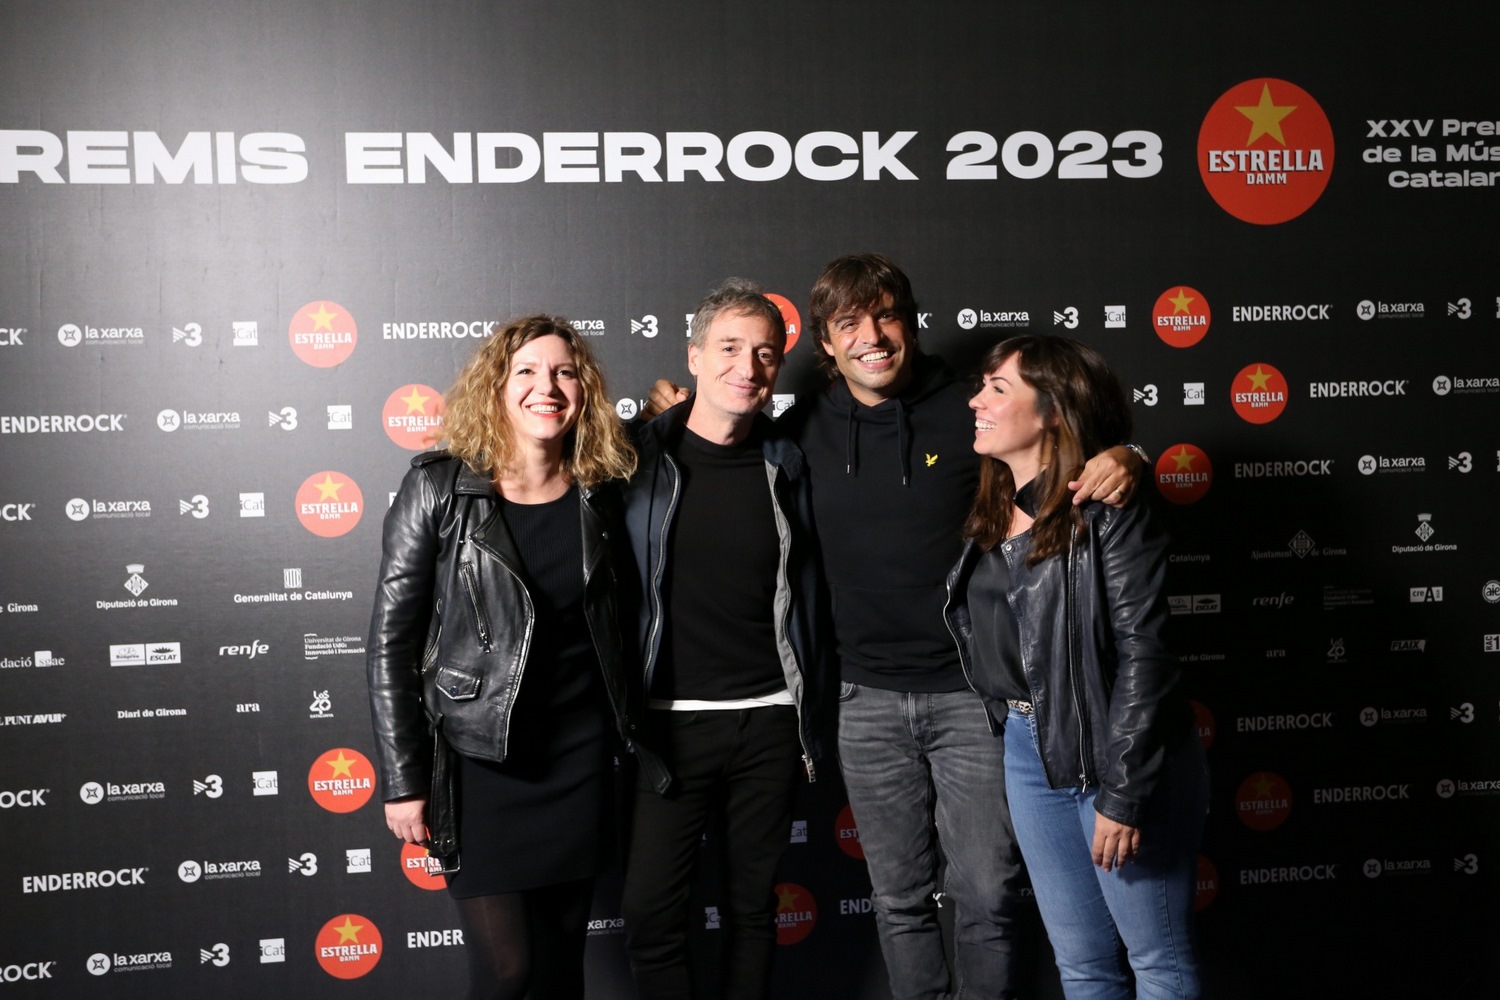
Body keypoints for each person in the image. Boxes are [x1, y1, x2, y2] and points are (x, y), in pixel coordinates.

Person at [650, 253, 1143, 1000]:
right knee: (899, 899)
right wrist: (670, 412)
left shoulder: (971, 410)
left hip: (973, 698)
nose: (872, 337)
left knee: (985, 895)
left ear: (911, 325)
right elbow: (709, 439)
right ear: (825, 342)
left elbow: (1066, 440)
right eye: (850, 323)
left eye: (887, 317)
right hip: (860, 700)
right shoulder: (801, 428)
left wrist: (1128, 454)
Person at [366, 315, 661, 1000]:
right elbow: (390, 644)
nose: (545, 387)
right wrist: (404, 780)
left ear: (584, 390)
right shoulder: (440, 488)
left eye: (564, 372)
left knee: (560, 974)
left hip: (580, 761)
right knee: (508, 972)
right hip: (479, 766)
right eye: (526, 371)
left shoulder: (600, 492)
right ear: (496, 387)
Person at [945, 335, 1208, 1000]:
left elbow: (1146, 654)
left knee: (1158, 961)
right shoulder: (992, 504)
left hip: (1115, 751)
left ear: (1053, 411)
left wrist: (1124, 792)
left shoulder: (1108, 508)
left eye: (998, 389)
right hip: (1028, 749)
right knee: (1082, 965)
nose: (976, 401)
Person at [619, 278, 831, 1000]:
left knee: (752, 911)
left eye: (765, 353)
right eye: (730, 348)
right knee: (651, 916)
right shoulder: (633, 459)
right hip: (667, 728)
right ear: (694, 357)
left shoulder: (789, 463)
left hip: (769, 722)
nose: (748, 367)